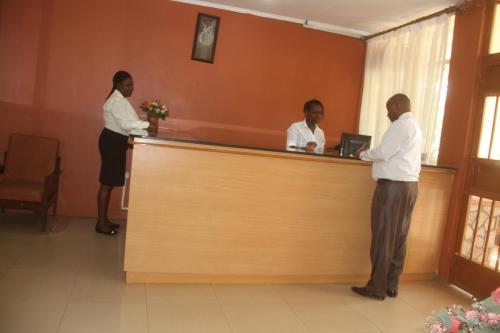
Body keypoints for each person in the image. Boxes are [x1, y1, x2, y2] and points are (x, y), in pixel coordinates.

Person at [351, 93, 422, 300]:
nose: (388, 113)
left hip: (392, 188)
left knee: (383, 236)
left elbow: (383, 152)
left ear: (397, 106)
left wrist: (362, 154)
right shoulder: (416, 126)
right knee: (399, 237)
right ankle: (391, 284)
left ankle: (376, 287)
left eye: (389, 109)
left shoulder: (400, 125)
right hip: (410, 186)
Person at [96, 71, 149, 235]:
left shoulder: (121, 100)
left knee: (109, 183)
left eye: (132, 84)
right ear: (118, 85)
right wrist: (147, 124)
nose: (131, 88)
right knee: (106, 183)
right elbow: (126, 124)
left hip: (116, 142)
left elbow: (128, 125)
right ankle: (100, 224)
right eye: (128, 85)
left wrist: (143, 130)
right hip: (112, 142)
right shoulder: (117, 101)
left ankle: (104, 220)